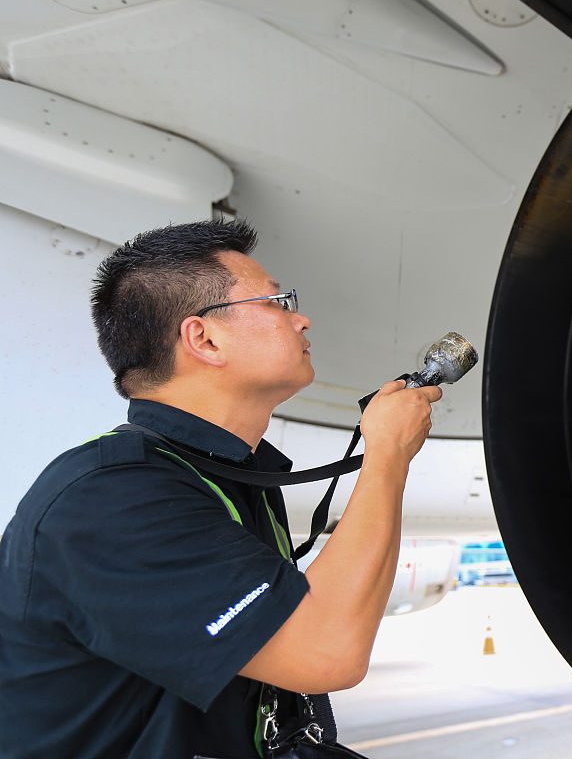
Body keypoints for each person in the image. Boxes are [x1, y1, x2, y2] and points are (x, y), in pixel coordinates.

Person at [0, 219, 442, 758]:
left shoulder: (221, 473)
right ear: (204, 338)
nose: (301, 319)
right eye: (278, 302)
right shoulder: (112, 497)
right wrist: (388, 457)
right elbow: (324, 652)